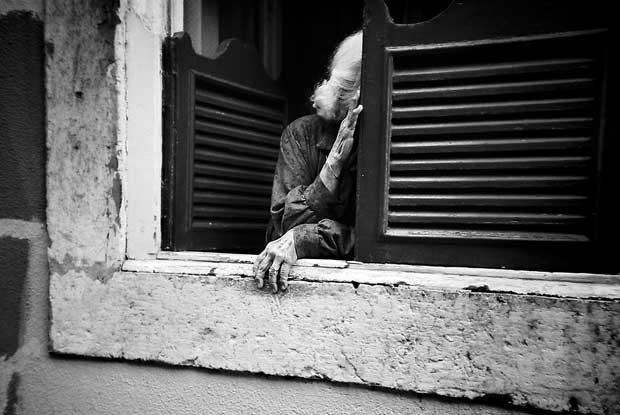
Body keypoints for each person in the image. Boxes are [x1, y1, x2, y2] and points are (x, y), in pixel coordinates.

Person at [253, 30, 363, 293]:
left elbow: (371, 242)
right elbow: (282, 228)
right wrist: (334, 163)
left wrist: (307, 238)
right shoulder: (301, 134)